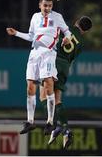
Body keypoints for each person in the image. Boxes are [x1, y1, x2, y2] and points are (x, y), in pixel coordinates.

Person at [6, 0, 71, 134]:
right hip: (34, 53)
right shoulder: (35, 17)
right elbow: (31, 36)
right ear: (40, 5)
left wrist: (67, 39)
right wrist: (16, 33)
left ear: (52, 6)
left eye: (50, 6)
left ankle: (50, 122)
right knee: (30, 87)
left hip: (48, 53)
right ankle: (30, 122)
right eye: (45, 5)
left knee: (48, 85)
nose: (47, 8)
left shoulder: (57, 17)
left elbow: (68, 32)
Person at [39, 16, 92, 149]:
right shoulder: (81, 43)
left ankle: (54, 124)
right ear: (85, 31)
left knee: (43, 96)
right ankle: (65, 129)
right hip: (65, 67)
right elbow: (71, 59)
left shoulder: (66, 28)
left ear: (76, 22)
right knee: (57, 100)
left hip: (54, 61)